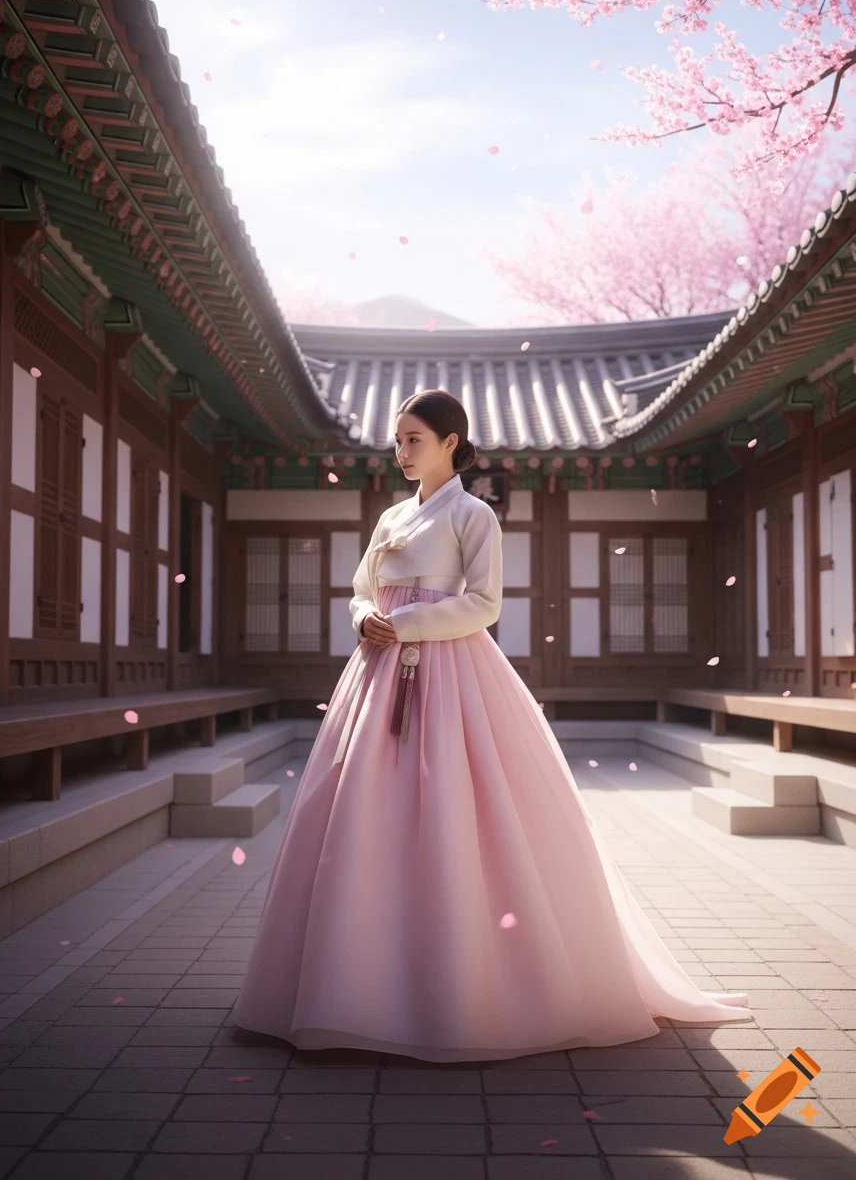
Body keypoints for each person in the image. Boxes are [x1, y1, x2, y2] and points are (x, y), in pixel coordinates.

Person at [233, 389, 752, 1063]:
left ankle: (466, 992)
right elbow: (363, 587)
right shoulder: (391, 516)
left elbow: (482, 603)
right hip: (378, 668)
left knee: (457, 808)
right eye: (398, 440)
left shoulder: (474, 515)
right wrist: (366, 618)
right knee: (361, 813)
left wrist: (409, 624)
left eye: (414, 439)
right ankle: (354, 988)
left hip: (450, 675)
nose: (402, 451)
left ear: (452, 442)